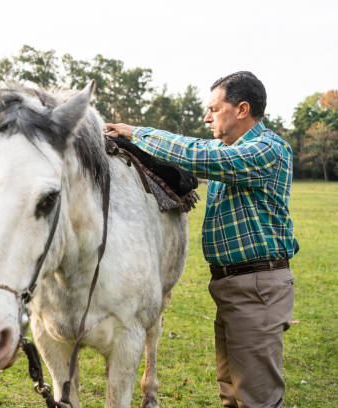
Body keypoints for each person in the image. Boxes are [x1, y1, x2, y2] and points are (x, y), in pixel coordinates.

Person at [105, 71, 298, 408]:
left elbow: (196, 155)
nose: (207, 117)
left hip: (257, 287)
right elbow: (196, 149)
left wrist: (135, 132)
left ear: (241, 109)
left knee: (256, 396)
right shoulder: (230, 148)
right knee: (233, 392)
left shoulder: (268, 150)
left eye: (214, 108)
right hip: (234, 286)